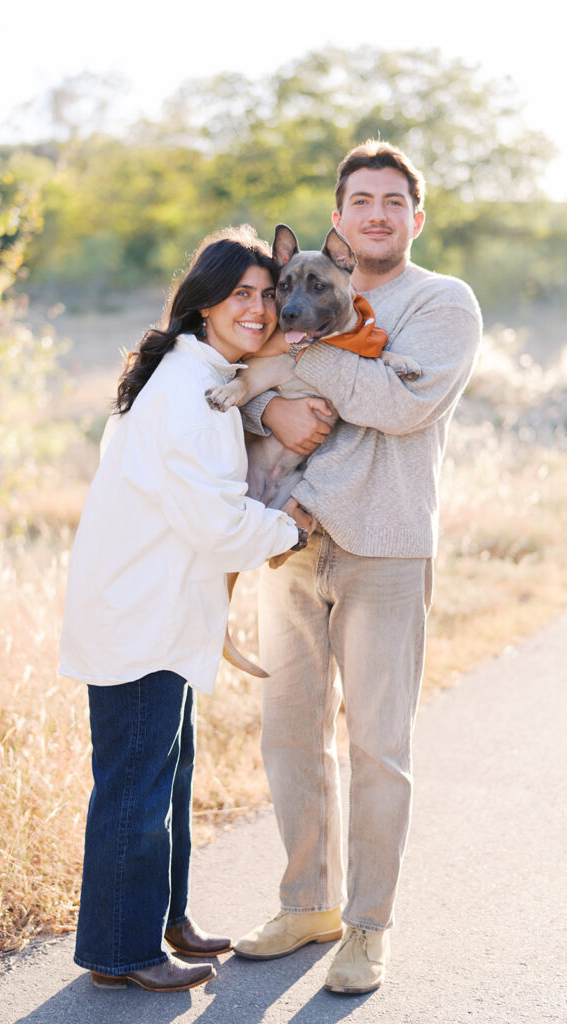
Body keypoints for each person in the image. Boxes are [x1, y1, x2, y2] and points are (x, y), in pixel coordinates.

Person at [233, 141, 483, 994]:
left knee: (378, 747)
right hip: (288, 545)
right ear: (337, 220)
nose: (377, 214)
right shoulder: (294, 291)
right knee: (289, 736)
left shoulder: (442, 304)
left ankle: (369, 927)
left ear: (417, 216)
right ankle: (308, 902)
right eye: (361, 200)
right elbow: (252, 385)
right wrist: (268, 398)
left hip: (384, 546)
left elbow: (399, 405)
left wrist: (296, 364)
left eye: (393, 201)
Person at [58, 226, 304, 994]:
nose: (259, 309)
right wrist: (296, 527)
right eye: (241, 295)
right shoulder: (184, 392)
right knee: (135, 784)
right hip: (142, 617)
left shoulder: (201, 376)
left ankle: (165, 918)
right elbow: (219, 523)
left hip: (164, 615)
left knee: (165, 776)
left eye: (267, 296)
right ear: (203, 305)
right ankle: (120, 950)